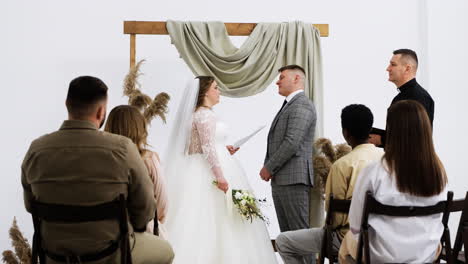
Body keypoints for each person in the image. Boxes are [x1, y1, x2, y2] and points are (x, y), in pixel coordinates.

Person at [21, 76, 174, 264]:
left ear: (67, 104)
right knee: (166, 251)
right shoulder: (123, 148)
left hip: (55, 256)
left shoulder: (36, 150)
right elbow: (145, 209)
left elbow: (30, 206)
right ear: (101, 111)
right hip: (111, 254)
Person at [164, 76, 277, 263]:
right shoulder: (204, 115)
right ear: (205, 92)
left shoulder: (197, 114)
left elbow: (199, 146)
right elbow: (207, 148)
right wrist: (220, 177)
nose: (219, 91)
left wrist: (223, 148)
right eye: (216, 88)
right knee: (218, 220)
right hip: (212, 172)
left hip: (202, 166)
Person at [340, 100, 447, 263]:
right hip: (425, 254)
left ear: (392, 131)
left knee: (347, 242)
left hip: (379, 256)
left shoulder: (373, 172)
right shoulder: (439, 174)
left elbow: (355, 224)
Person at [275, 104, 382, 264]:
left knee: (283, 241)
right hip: (381, 238)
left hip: (347, 239)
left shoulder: (342, 165)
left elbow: (335, 218)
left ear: (345, 133)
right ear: (370, 130)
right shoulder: (388, 159)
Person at [260, 65, 317, 233]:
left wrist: (269, 167)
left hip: (293, 180)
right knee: (288, 239)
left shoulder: (302, 105)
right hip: (283, 180)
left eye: (282, 77)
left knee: (299, 236)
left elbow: (292, 142)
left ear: (296, 78)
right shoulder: (290, 104)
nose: (277, 82)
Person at [104, 105, 168, 236]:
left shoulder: (100, 159)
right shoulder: (149, 159)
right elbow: (161, 204)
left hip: (106, 231)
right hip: (141, 231)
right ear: (141, 129)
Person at [370, 49, 434, 146]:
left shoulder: (420, 98)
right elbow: (401, 132)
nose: (388, 68)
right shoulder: (401, 97)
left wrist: (382, 139)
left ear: (407, 69)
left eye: (393, 64)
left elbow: (416, 139)